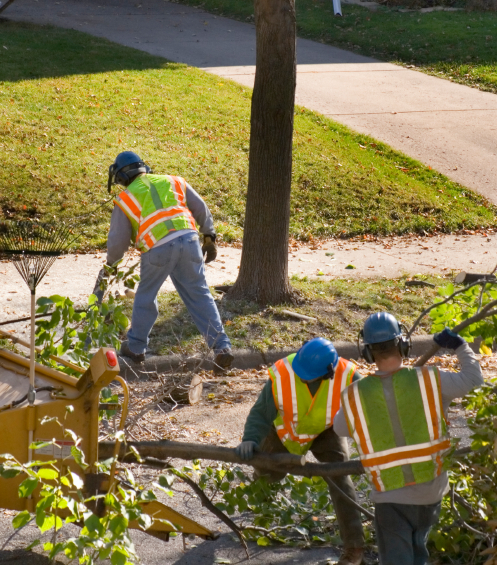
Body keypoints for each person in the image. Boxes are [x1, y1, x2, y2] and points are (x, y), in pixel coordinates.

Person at [334, 313, 484, 565]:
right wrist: (460, 346)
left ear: (368, 353)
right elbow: (473, 379)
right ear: (403, 345)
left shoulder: (354, 395)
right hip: (431, 491)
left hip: (390, 496)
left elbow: (340, 429)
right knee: (418, 555)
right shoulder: (430, 380)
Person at [235, 338, 367, 565]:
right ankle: (261, 507)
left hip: (327, 430)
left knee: (340, 478)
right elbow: (260, 413)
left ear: (328, 371)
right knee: (269, 473)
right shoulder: (284, 372)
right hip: (285, 431)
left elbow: (372, 408)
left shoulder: (349, 376)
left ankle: (354, 546)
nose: (302, 376)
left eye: (308, 374)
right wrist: (249, 440)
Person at [104, 151, 233, 370]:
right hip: (189, 240)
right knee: (200, 294)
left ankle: (136, 347)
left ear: (122, 177)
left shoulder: (125, 198)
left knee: (146, 295)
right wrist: (209, 235)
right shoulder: (174, 181)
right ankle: (222, 348)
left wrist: (112, 264)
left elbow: (118, 240)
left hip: (158, 247)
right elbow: (200, 206)